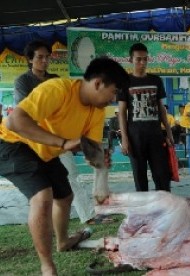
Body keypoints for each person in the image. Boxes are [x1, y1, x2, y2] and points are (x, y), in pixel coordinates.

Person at [0, 57, 129, 275]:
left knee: (65, 196)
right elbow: (15, 121)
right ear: (98, 83)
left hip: (45, 150)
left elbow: (91, 147)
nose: (114, 99)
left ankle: (62, 242)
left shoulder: (96, 110)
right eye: (113, 92)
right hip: (13, 142)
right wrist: (63, 143)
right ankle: (47, 266)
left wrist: (100, 161)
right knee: (43, 197)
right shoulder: (57, 89)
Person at [14, 40, 109, 225]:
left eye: (47, 57)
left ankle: (88, 215)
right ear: (30, 59)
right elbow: (24, 113)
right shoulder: (23, 81)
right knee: (39, 186)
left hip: (57, 138)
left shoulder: (55, 80)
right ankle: (43, 219)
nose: (44, 61)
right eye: (40, 57)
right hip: (33, 139)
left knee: (71, 176)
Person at [118, 42, 173, 192]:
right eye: (138, 59)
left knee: (162, 176)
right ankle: (145, 211)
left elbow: (161, 109)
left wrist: (168, 132)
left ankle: (164, 209)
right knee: (140, 178)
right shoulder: (124, 82)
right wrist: (125, 139)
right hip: (135, 138)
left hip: (156, 136)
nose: (142, 63)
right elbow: (122, 112)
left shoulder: (156, 80)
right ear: (131, 60)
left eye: (145, 59)